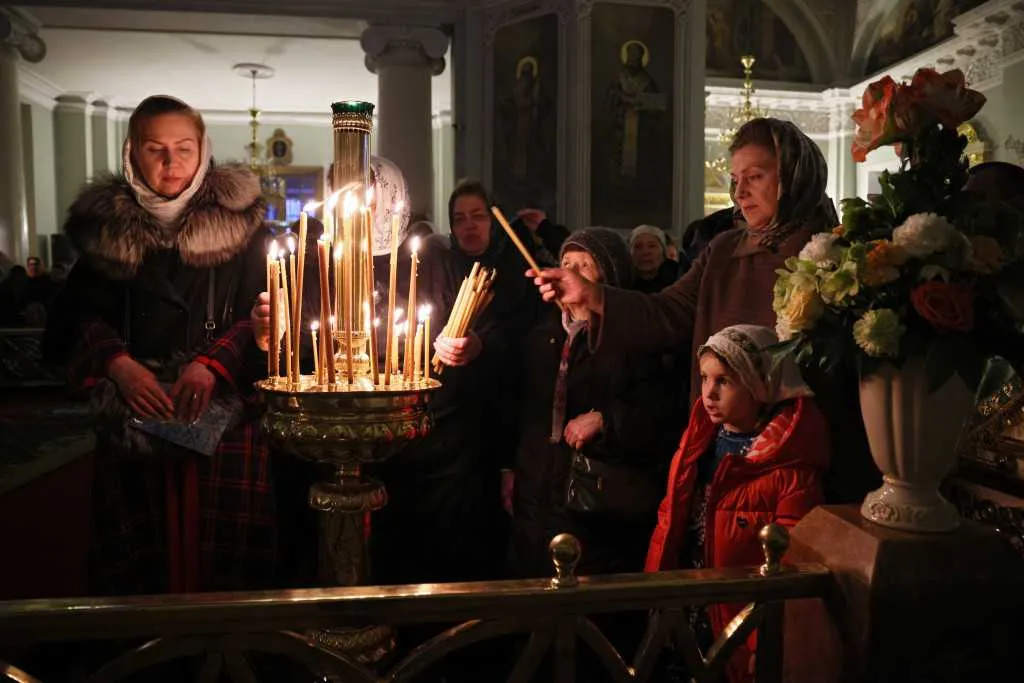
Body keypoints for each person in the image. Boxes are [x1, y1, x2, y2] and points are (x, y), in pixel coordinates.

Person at [532, 117, 876, 503]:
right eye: (734, 179)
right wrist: (592, 295)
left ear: (795, 176)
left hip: (802, 454)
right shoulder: (724, 251)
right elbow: (666, 312)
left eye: (756, 176)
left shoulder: (836, 255)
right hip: (720, 445)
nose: (740, 191)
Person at [44, 95, 276, 596]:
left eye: (183, 148)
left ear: (203, 150)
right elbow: (77, 317)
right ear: (132, 152)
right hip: (136, 413)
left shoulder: (246, 229)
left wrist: (213, 365)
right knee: (142, 560)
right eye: (156, 149)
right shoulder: (104, 233)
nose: (171, 164)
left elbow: (264, 314)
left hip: (222, 415)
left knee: (225, 562)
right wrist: (118, 363)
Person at [646, 325, 829, 683]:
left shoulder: (788, 469)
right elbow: (671, 525)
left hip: (737, 625)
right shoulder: (698, 445)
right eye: (704, 378)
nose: (709, 394)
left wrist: (762, 638)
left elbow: (790, 565)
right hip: (685, 609)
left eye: (724, 381)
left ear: (759, 384)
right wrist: (657, 595)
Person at [509, 227, 676, 580]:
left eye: (583, 266)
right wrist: (510, 469)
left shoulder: (634, 337)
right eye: (565, 263)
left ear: (609, 276)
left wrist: (606, 419)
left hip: (597, 502)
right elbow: (523, 412)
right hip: (537, 492)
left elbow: (661, 414)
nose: (569, 274)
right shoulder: (541, 335)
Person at [629, 224, 680, 293]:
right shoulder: (620, 283)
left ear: (663, 252)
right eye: (638, 246)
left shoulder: (680, 280)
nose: (645, 252)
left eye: (652, 246)